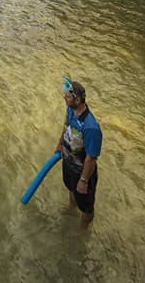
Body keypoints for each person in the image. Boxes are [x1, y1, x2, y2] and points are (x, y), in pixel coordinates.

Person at [54, 79, 103, 223]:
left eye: (67, 97)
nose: (64, 98)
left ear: (78, 100)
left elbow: (91, 158)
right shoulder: (70, 110)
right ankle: (71, 208)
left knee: (87, 207)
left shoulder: (90, 127)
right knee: (70, 189)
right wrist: (59, 143)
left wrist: (83, 181)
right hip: (69, 163)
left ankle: (84, 228)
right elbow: (66, 126)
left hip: (82, 171)